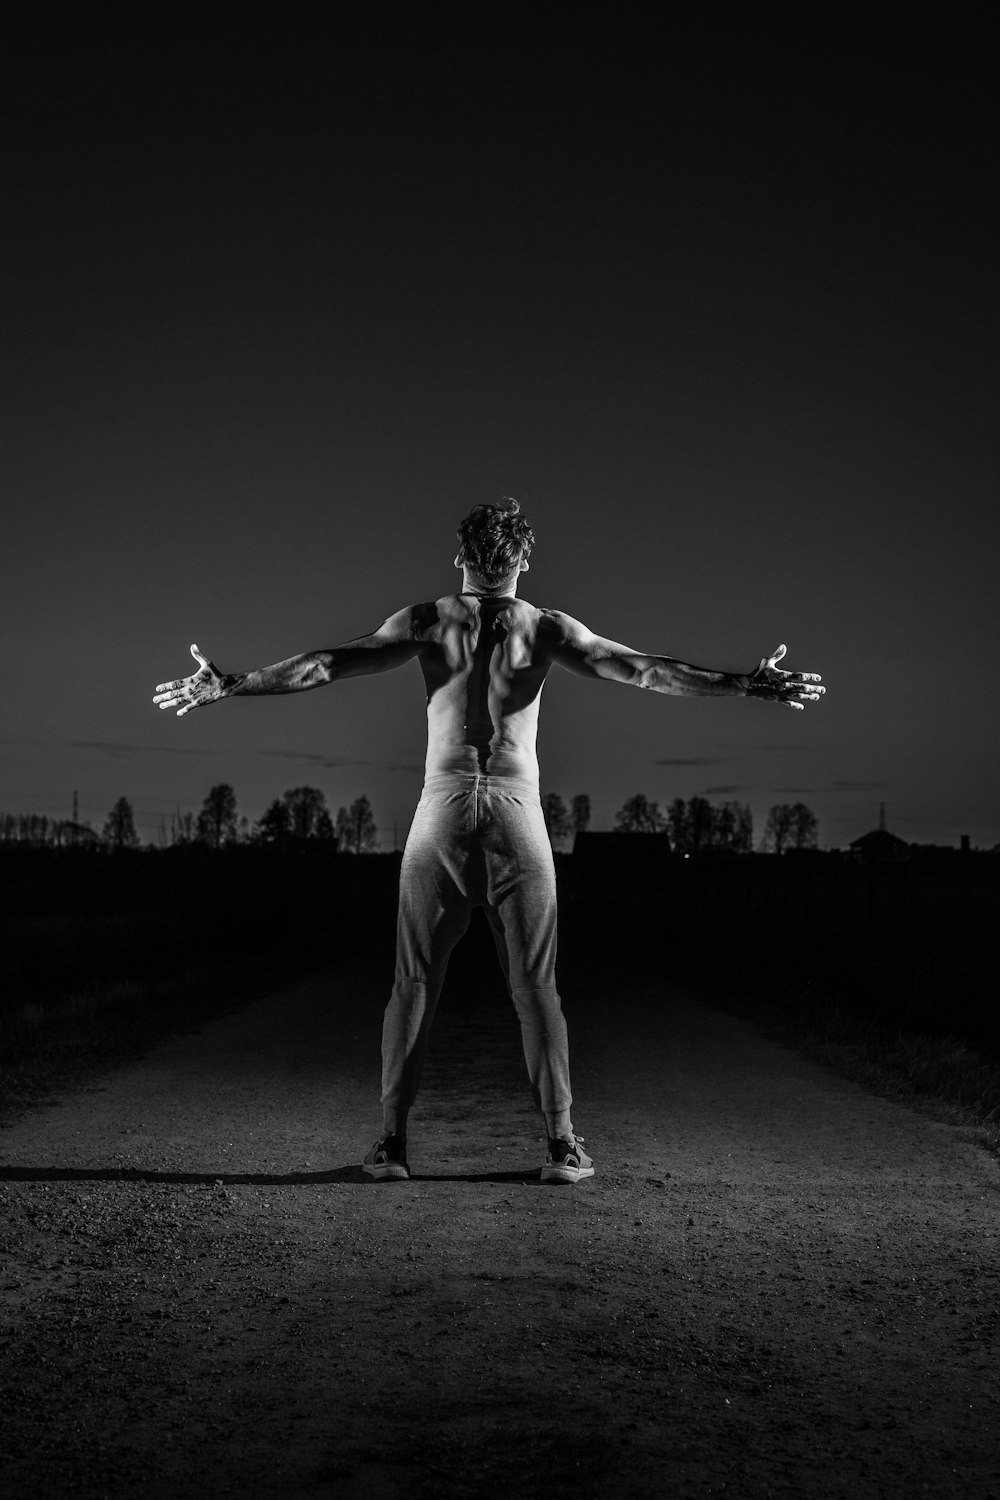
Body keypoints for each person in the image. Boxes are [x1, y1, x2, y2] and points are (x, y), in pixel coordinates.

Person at [153, 498, 824, 1184]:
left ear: (459, 557)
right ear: (524, 561)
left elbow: (326, 664)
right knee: (535, 986)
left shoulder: (428, 620)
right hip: (514, 812)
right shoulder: (544, 628)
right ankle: (561, 1146)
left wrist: (234, 683)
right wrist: (743, 684)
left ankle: (392, 1144)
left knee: (413, 982)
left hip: (440, 811)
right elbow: (644, 670)